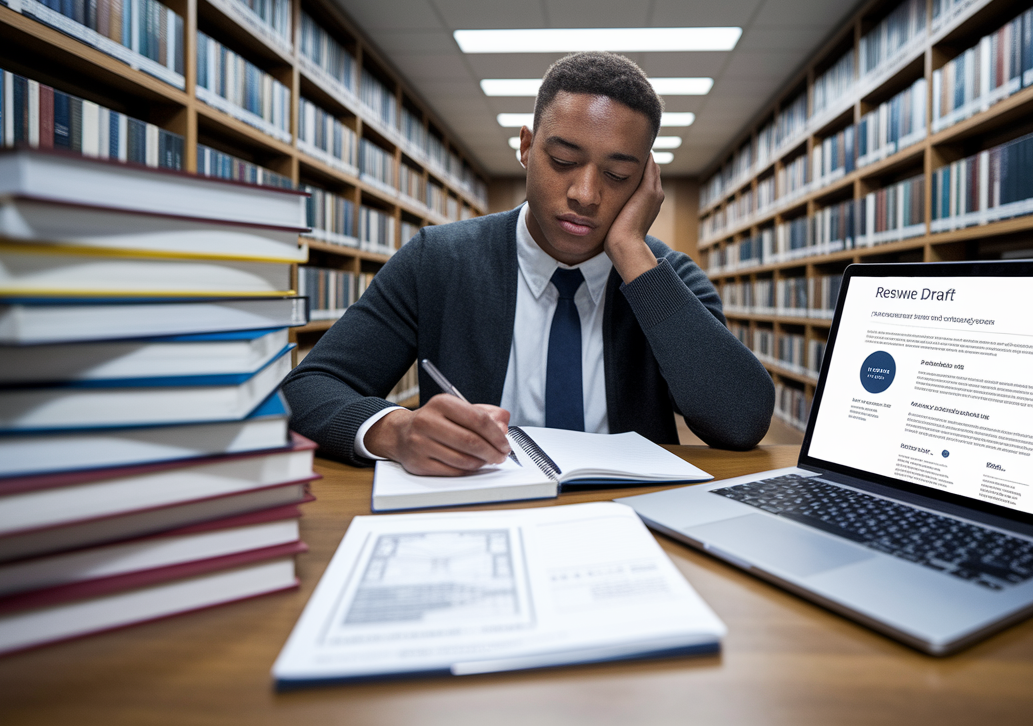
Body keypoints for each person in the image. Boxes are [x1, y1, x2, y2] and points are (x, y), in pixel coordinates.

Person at [282, 51, 774, 476]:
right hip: (481, 507)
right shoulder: (440, 260)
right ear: (525, 146)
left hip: (629, 517)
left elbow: (740, 420)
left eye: (618, 174)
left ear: (647, 181)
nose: (585, 194)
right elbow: (308, 389)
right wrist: (395, 430)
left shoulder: (667, 278)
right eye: (562, 161)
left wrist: (630, 251)